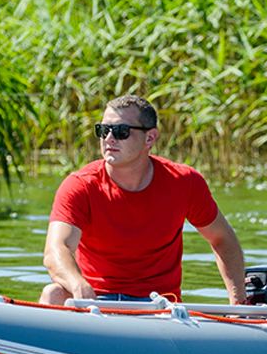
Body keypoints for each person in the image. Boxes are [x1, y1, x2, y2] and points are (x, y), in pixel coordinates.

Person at [40, 95, 246, 305]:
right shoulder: (79, 185)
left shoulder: (185, 182)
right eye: (103, 130)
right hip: (96, 301)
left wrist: (238, 303)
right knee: (53, 293)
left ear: (150, 138)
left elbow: (222, 239)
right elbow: (56, 250)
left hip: (160, 305)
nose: (109, 138)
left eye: (121, 131)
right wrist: (78, 285)